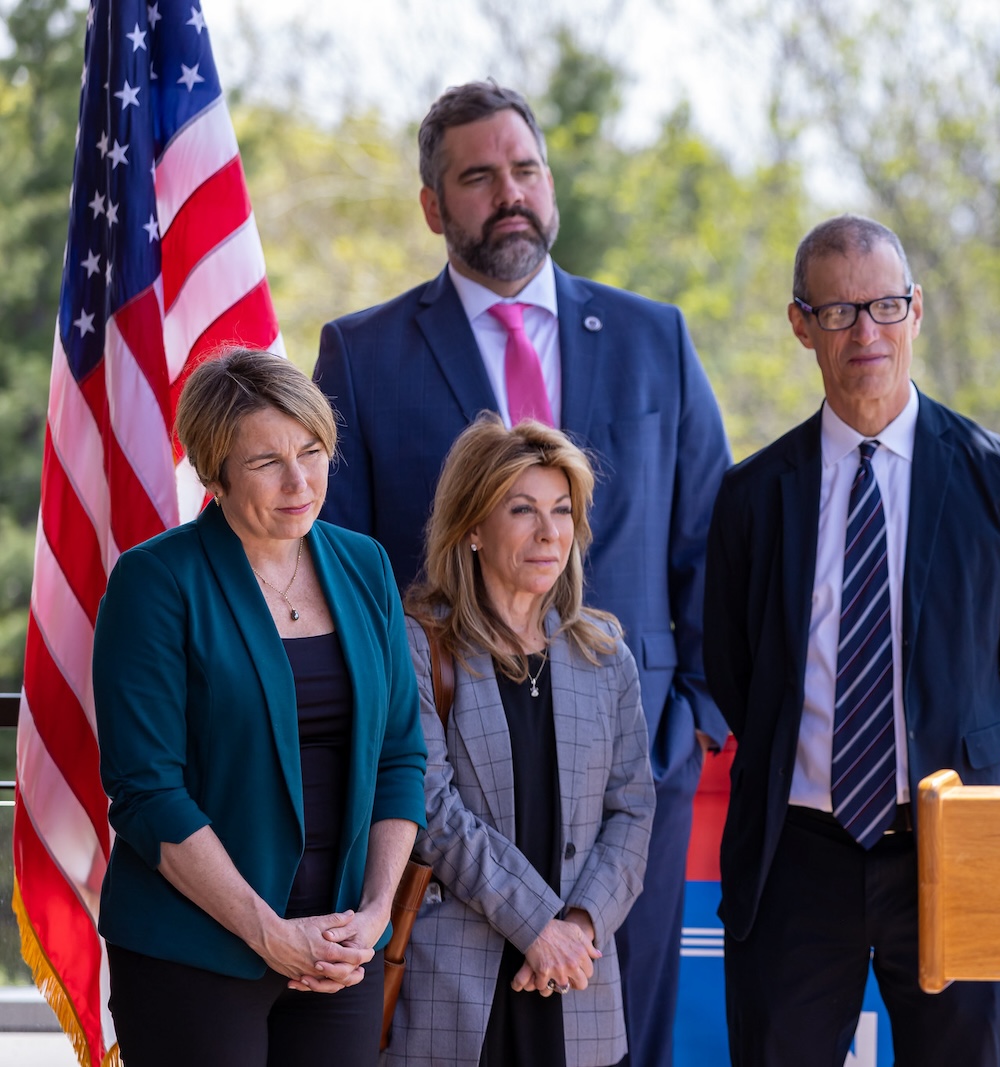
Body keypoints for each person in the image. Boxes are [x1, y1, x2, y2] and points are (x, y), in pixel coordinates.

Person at [314, 81, 728, 1064]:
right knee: (458, 1035)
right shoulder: (362, 354)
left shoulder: (650, 336)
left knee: (623, 1035)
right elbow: (343, 564)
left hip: (632, 769)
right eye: (477, 175)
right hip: (446, 769)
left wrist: (690, 717)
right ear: (433, 205)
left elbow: (710, 535)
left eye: (525, 169)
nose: (509, 192)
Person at [703, 214, 1000, 1066]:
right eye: (838, 312)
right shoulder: (754, 497)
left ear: (916, 310)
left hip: (957, 851)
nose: (865, 332)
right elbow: (734, 668)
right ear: (801, 325)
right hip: (796, 858)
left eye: (884, 306)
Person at [93, 350, 426, 1066]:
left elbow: (401, 752)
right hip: (195, 951)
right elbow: (148, 790)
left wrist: (373, 914)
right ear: (214, 474)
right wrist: (268, 931)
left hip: (339, 948)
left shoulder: (364, 564)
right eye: (266, 462)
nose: (299, 481)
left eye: (311, 450)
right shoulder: (156, 581)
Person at [385, 416, 654, 1067]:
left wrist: (579, 929)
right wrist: (537, 926)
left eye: (562, 510)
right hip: (458, 990)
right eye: (523, 509)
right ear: (473, 527)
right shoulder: (420, 642)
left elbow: (634, 807)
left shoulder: (605, 652)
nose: (549, 531)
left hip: (577, 986)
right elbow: (431, 809)